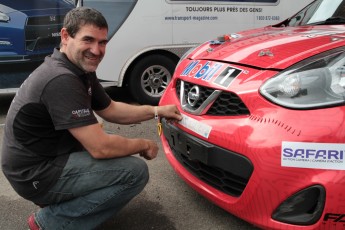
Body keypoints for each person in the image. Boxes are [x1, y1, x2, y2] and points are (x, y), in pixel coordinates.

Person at [1, 7, 182, 230]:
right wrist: (143, 143)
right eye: (88, 40)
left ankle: (62, 201)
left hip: (43, 159)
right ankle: (51, 222)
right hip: (35, 174)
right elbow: (101, 148)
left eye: (102, 42)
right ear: (66, 36)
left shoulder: (79, 69)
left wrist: (157, 111)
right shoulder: (61, 79)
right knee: (134, 172)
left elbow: (111, 109)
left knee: (110, 144)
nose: (96, 50)